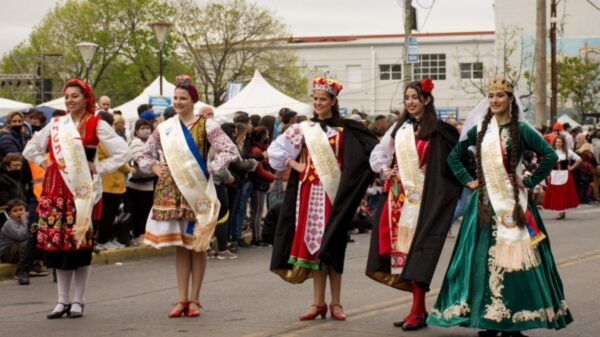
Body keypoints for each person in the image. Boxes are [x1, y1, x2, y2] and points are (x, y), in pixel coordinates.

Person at [427, 76, 572, 337]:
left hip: (513, 205)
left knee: (516, 262)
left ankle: (514, 321)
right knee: (480, 260)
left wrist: (528, 180)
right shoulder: (482, 130)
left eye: (500, 95)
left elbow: (548, 155)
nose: (495, 100)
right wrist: (469, 181)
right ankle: (487, 318)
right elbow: (454, 156)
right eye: (491, 96)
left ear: (510, 100)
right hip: (484, 204)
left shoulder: (522, 130)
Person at [268, 77, 377, 321]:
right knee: (315, 248)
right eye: (315, 99)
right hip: (309, 194)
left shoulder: (346, 129)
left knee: (334, 246)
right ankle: (317, 303)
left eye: (323, 99)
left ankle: (336, 303)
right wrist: (297, 165)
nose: (318, 103)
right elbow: (276, 151)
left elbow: (369, 154)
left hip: (335, 194)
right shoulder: (304, 128)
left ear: (333, 101)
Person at [23, 78, 130, 319]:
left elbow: (123, 152)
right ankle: (62, 301)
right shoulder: (56, 124)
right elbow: (30, 149)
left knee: (80, 247)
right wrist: (46, 162)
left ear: (86, 99)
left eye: (75, 96)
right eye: (67, 96)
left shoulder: (96, 124)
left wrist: (98, 167)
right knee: (59, 248)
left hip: (82, 193)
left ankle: (79, 300)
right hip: (56, 192)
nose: (70, 100)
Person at [138, 75, 238, 318]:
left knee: (198, 245)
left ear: (193, 100)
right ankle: (181, 298)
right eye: (175, 98)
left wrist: (212, 168)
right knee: (181, 246)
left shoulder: (208, 125)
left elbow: (230, 150)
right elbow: (144, 154)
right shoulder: (164, 127)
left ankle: (195, 299)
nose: (178, 102)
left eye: (183, 98)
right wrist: (154, 168)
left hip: (197, 191)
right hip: (172, 192)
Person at [366, 79, 462, 331]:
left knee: (417, 251)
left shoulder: (439, 130)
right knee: (400, 252)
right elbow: (379, 154)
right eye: (407, 97)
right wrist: (385, 171)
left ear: (426, 100)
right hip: (398, 195)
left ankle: (417, 311)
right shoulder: (400, 128)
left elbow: (455, 160)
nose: (410, 102)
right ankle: (417, 309)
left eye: (415, 97)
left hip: (424, 197)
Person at [95, 112, 132, 249]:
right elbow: (119, 158)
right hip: (108, 182)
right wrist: (130, 170)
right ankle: (103, 240)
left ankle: (109, 238)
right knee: (107, 214)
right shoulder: (103, 139)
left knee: (112, 213)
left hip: (113, 182)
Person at [127, 119, 156, 246]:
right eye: (142, 128)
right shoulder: (135, 143)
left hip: (149, 183)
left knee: (146, 211)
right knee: (138, 212)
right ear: (136, 131)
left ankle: (144, 235)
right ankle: (138, 236)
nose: (146, 130)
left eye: (147, 127)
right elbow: (139, 158)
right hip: (136, 184)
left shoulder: (152, 143)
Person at [541, 135, 581, 219]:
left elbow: (579, 159)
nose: (558, 143)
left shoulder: (567, 152)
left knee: (563, 193)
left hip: (564, 174)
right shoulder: (551, 151)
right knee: (556, 193)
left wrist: (572, 167)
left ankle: (562, 211)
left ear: (563, 143)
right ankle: (560, 210)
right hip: (554, 174)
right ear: (554, 143)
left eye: (560, 142)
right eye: (557, 142)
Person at [248, 126, 275, 246]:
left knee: (258, 212)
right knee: (257, 212)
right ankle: (256, 238)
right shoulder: (256, 151)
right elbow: (259, 171)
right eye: (266, 135)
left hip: (262, 184)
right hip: (258, 185)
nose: (267, 137)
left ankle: (257, 236)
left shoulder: (259, 149)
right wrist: (273, 177)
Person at [0, 199, 29, 264]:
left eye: (21, 209)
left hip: (15, 249)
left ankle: (33, 264)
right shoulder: (10, 224)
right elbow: (22, 236)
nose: (19, 213)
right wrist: (24, 220)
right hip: (6, 254)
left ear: (25, 210)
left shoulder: (22, 220)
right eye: (15, 211)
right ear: (9, 214)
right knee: (28, 243)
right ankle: (24, 267)